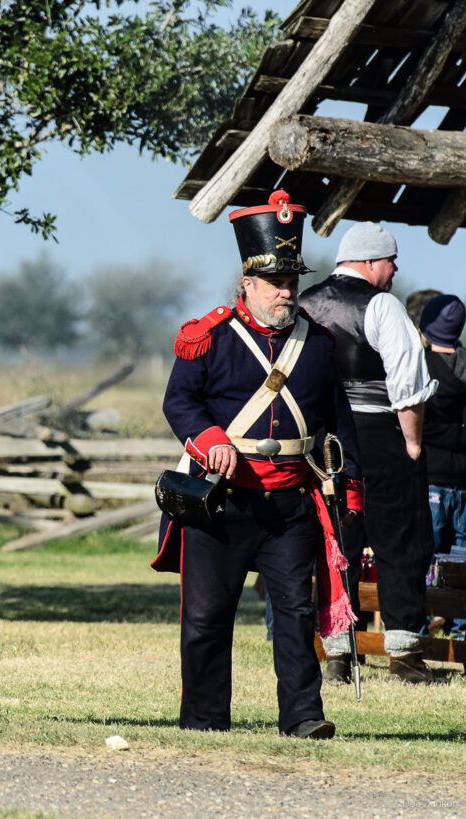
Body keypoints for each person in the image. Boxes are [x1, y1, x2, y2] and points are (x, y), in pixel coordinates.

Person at [153, 190, 363, 739]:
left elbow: (338, 421)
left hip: (290, 501)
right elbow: (180, 402)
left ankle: (303, 718)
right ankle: (203, 720)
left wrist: (352, 495)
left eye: (292, 282)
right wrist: (208, 438)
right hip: (221, 500)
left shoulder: (316, 344)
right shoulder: (210, 337)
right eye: (275, 283)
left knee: (294, 616)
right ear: (248, 283)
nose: (286, 292)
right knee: (205, 618)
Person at [300, 223, 438, 684]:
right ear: (371, 262)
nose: (395, 270)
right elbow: (407, 384)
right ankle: (404, 656)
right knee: (401, 541)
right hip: (380, 433)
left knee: (336, 544)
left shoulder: (304, 303)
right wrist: (413, 444)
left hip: (321, 442)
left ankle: (339, 655)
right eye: (391, 261)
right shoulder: (382, 305)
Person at [418, 294, 466, 639]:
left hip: (431, 476)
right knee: (462, 557)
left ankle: (419, 624)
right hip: (464, 480)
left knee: (423, 555)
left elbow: (416, 422)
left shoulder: (420, 367)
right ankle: (461, 627)